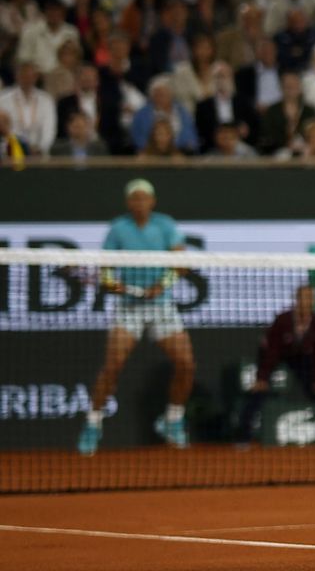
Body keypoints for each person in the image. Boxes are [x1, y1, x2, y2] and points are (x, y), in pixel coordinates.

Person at [78, 179, 194, 455]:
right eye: (135, 198)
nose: (139, 203)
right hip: (128, 307)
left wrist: (160, 285)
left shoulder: (165, 225)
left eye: (144, 198)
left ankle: (173, 419)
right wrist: (110, 282)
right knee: (113, 366)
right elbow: (105, 269)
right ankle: (93, 423)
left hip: (161, 306)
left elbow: (182, 264)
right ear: (128, 202)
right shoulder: (118, 228)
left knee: (186, 364)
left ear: (152, 201)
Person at [238, 285, 315, 442]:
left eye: (311, 298)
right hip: (276, 357)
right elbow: (270, 351)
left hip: (301, 359)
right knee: (258, 392)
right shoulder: (282, 320)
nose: (308, 301)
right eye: (304, 297)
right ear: (297, 299)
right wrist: (262, 378)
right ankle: (243, 438)